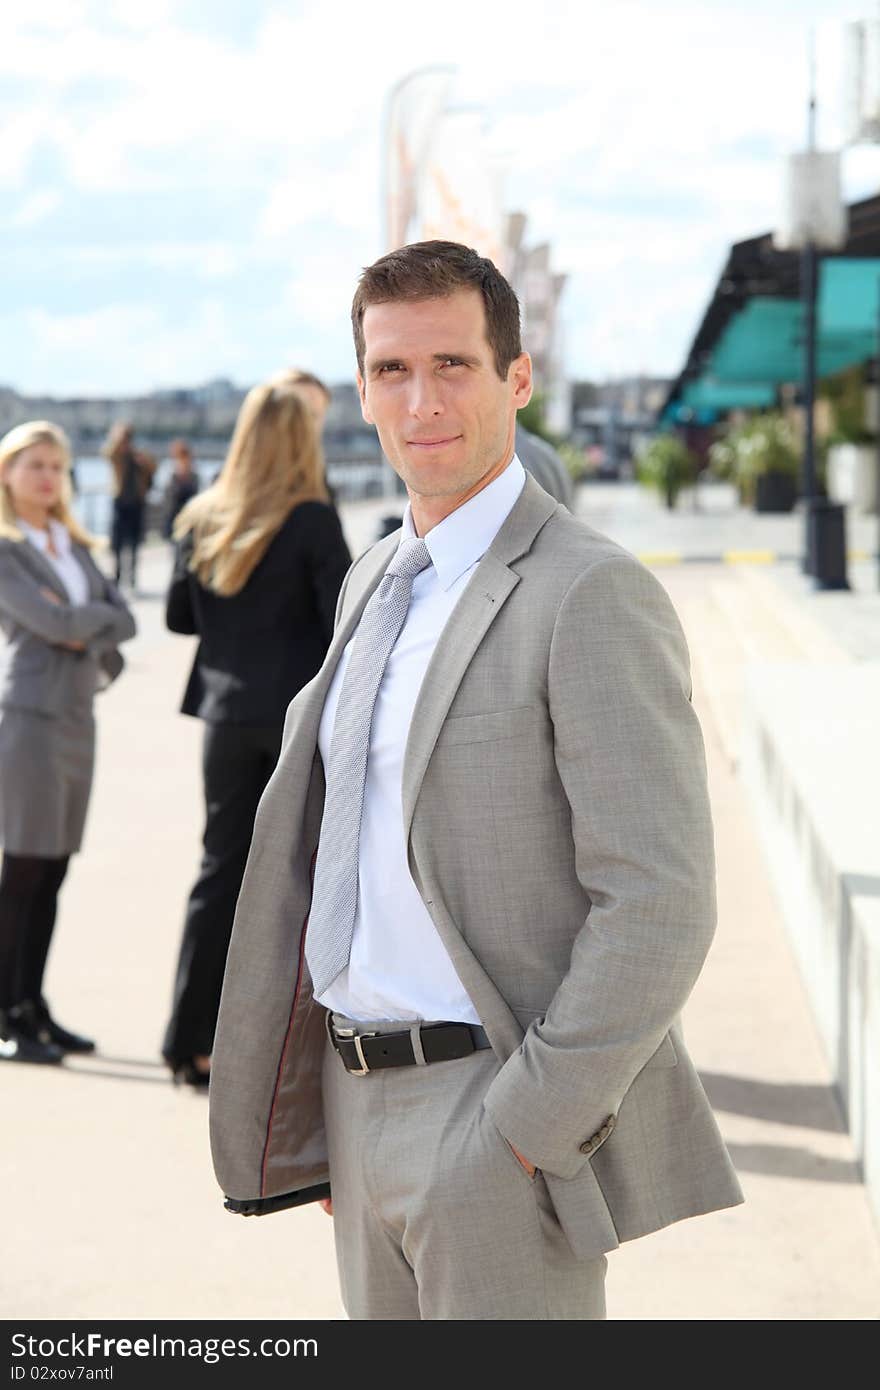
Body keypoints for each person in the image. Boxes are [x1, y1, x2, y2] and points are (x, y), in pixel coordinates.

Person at [208, 241, 743, 1320]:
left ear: (517, 379)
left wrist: (523, 1129)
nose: (422, 401)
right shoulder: (373, 579)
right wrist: (328, 1114)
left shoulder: (587, 591)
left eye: (452, 364)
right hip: (358, 1111)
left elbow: (659, 904)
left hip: (490, 1114)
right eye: (392, 370)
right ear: (360, 388)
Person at [161, 379, 351, 1089]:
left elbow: (180, 618)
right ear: (303, 439)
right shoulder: (311, 519)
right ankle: (279, 1049)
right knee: (297, 883)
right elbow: (343, 618)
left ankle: (188, 1040)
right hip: (294, 721)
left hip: (224, 717)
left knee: (219, 873)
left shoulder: (205, 514)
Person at [0, 421, 136, 1064]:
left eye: (57, 466)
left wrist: (86, 630)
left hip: (79, 718)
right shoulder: (8, 548)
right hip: (28, 720)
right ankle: (7, 1012)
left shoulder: (72, 545)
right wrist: (85, 626)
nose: (49, 477)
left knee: (53, 869)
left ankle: (32, 1003)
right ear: (7, 473)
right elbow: (50, 622)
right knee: (23, 869)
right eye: (35, 466)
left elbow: (125, 619)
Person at [102, 422, 156, 589]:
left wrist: (143, 462)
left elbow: (152, 470)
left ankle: (131, 577)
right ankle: (118, 576)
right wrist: (117, 436)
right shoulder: (117, 455)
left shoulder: (139, 456)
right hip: (120, 502)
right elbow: (107, 452)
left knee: (134, 543)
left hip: (136, 503)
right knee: (117, 543)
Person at [161, 438, 199, 540]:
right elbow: (168, 499)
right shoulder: (171, 474)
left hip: (190, 519)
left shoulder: (194, 476)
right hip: (174, 517)